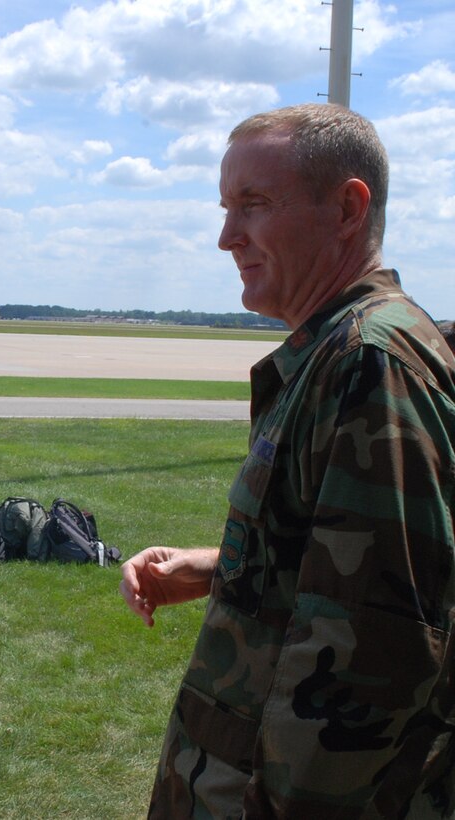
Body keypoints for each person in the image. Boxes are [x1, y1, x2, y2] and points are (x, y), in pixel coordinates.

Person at [120, 103, 455, 817]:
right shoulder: (335, 353)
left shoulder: (371, 363)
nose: (224, 237)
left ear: (346, 208)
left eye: (253, 205)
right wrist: (225, 568)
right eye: (225, 207)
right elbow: (358, 566)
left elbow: (377, 651)